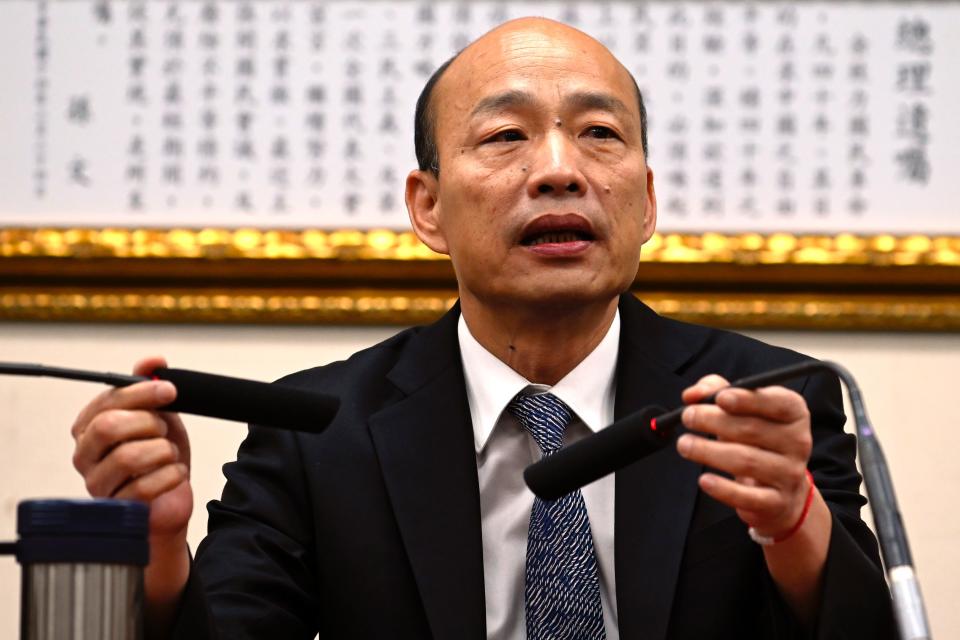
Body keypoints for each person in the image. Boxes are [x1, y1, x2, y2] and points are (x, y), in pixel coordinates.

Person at [69, 17, 895, 639]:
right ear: (427, 208)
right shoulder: (318, 430)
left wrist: (795, 526)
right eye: (506, 136)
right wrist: (160, 545)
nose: (560, 170)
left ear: (646, 202)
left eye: (600, 134)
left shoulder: (761, 405)